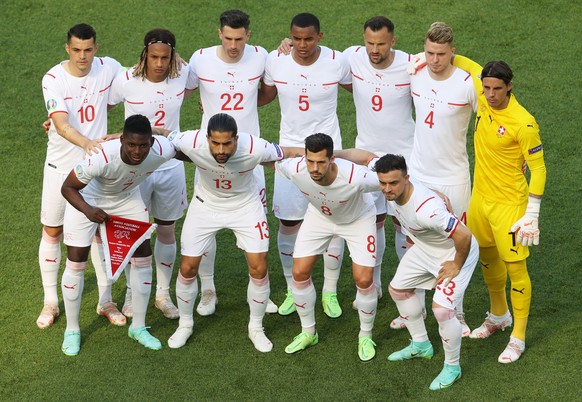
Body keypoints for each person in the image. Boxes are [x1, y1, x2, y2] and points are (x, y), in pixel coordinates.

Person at [165, 113, 303, 352]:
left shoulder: (256, 147)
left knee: (259, 267)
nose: (221, 149)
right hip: (205, 206)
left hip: (245, 206)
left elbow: (290, 152)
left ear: (237, 139)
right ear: (206, 138)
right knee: (187, 267)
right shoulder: (190, 140)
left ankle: (256, 328)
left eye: (227, 143)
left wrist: (329, 155)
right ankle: (185, 325)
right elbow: (163, 134)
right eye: (215, 143)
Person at [452, 56, 546, 363]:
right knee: (488, 259)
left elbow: (539, 169)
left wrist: (531, 213)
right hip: (480, 201)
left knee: (516, 269)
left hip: (510, 206)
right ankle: (498, 315)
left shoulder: (524, 122)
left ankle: (518, 336)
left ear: (509, 87)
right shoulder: (483, 93)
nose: (490, 95)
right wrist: (429, 58)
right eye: (487, 87)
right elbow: (468, 64)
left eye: (497, 89)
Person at [259, 12, 351, 318]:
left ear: (320, 37)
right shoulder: (276, 60)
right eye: (296, 38)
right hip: (290, 157)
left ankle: (329, 291)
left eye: (308, 38)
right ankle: (291, 287)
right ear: (290, 36)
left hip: (328, 156)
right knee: (289, 223)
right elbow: (264, 95)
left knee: (334, 224)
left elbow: (364, 88)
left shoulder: (337, 62)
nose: (301, 44)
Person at [60, 115, 177, 356]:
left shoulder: (162, 149)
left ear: (152, 143)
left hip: (126, 199)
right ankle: (72, 330)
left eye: (143, 145)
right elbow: (68, 187)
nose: (137, 151)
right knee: (76, 259)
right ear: (121, 139)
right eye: (131, 144)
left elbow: (185, 145)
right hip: (88, 200)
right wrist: (89, 211)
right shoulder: (100, 156)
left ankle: (138, 327)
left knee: (143, 253)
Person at [188, 10, 277, 316]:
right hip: (212, 157)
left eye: (239, 39)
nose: (234, 45)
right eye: (228, 38)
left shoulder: (260, 56)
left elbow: (268, 92)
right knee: (205, 227)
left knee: (256, 226)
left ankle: (261, 293)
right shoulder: (200, 59)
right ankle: (208, 290)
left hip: (250, 157)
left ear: (248, 36)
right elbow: (181, 90)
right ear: (219, 34)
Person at [266, 134, 380, 361]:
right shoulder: (296, 168)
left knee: (365, 279)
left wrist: (433, 195)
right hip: (320, 218)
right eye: (310, 161)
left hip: (358, 221)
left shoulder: (358, 177)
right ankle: (308, 332)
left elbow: (394, 180)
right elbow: (266, 157)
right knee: (299, 273)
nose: (315, 168)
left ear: (332, 160)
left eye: (321, 162)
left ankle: (365, 336)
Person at [395, 22, 477, 334]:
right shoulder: (414, 69)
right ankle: (410, 309)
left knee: (455, 244)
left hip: (453, 178)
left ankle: (457, 310)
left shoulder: (468, 83)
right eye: (429, 52)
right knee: (414, 239)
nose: (434, 59)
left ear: (452, 52)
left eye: (441, 54)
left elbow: (491, 117)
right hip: (418, 174)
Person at [39, 23, 123, 329]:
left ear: (96, 49)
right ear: (67, 49)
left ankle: (106, 301)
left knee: (101, 234)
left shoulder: (108, 68)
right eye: (76, 50)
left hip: (97, 169)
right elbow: (61, 124)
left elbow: (140, 76)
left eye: (88, 50)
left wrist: (175, 58)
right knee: (52, 231)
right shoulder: (54, 78)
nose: (82, 56)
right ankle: (50, 302)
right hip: (61, 166)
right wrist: (87, 142)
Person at [109, 28, 196, 320]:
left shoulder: (183, 73)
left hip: (170, 165)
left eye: (165, 57)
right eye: (154, 56)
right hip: (137, 168)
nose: (159, 63)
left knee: (167, 228)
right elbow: (99, 105)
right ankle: (133, 294)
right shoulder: (126, 80)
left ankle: (162, 294)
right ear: (145, 53)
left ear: (173, 56)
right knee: (136, 230)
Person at [375, 154, 478, 390]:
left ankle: (453, 366)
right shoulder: (390, 185)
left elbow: (464, 236)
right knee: (398, 289)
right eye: (383, 183)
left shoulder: (427, 210)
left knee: (441, 311)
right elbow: (364, 159)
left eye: (393, 183)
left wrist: (456, 265)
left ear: (406, 179)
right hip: (426, 248)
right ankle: (421, 345)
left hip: (455, 253)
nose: (387, 189)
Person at [342, 16, 416, 308]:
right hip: (366, 158)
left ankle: (407, 285)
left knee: (404, 224)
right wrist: (286, 45)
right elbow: (314, 59)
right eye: (370, 43)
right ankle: (375, 284)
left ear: (393, 41)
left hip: (404, 158)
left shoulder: (411, 65)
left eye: (381, 44)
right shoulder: (352, 57)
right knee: (372, 222)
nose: (374, 49)